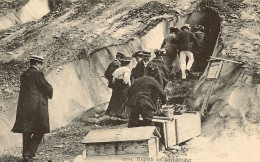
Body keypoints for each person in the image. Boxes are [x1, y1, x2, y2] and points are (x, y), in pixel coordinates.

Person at [11, 55, 53, 160]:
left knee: (27, 131)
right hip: (36, 108)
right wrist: (49, 91)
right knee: (40, 130)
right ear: (38, 64)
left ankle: (25, 154)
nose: (42, 66)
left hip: (24, 109)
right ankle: (30, 153)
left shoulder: (24, 74)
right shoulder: (37, 74)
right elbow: (46, 87)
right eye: (41, 64)